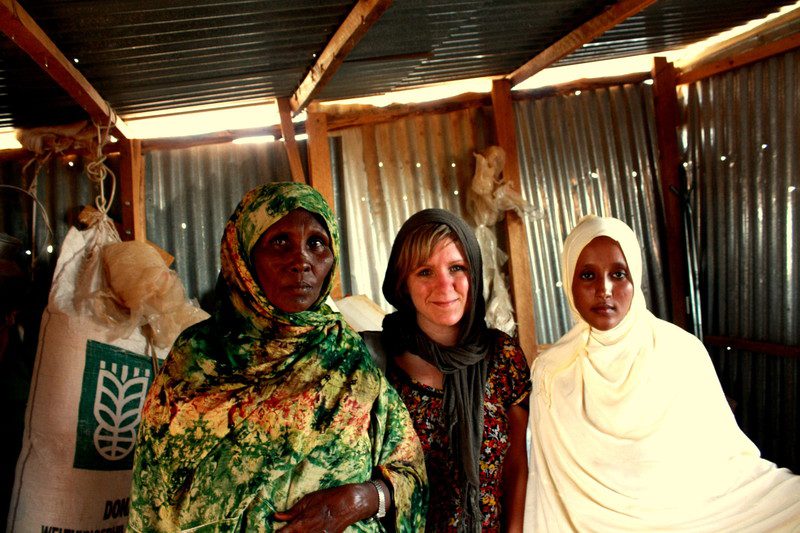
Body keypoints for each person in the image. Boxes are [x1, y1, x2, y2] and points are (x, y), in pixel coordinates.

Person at [128, 182, 427, 532]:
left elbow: (411, 473)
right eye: (280, 242)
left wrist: (361, 499)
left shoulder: (348, 357)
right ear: (243, 259)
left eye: (317, 243)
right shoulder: (196, 358)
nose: (301, 261)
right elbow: (151, 497)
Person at [524, 214, 800, 531]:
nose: (605, 289)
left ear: (635, 279)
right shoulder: (552, 371)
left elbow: (722, 460)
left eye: (618, 273)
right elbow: (549, 486)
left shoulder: (681, 351)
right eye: (587, 275)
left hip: (698, 513)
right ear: (569, 283)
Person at [364, 208, 530, 532]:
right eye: (425, 271)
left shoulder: (502, 357)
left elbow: (517, 466)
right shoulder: (377, 363)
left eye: (457, 267)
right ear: (403, 283)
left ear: (475, 274)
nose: (445, 284)